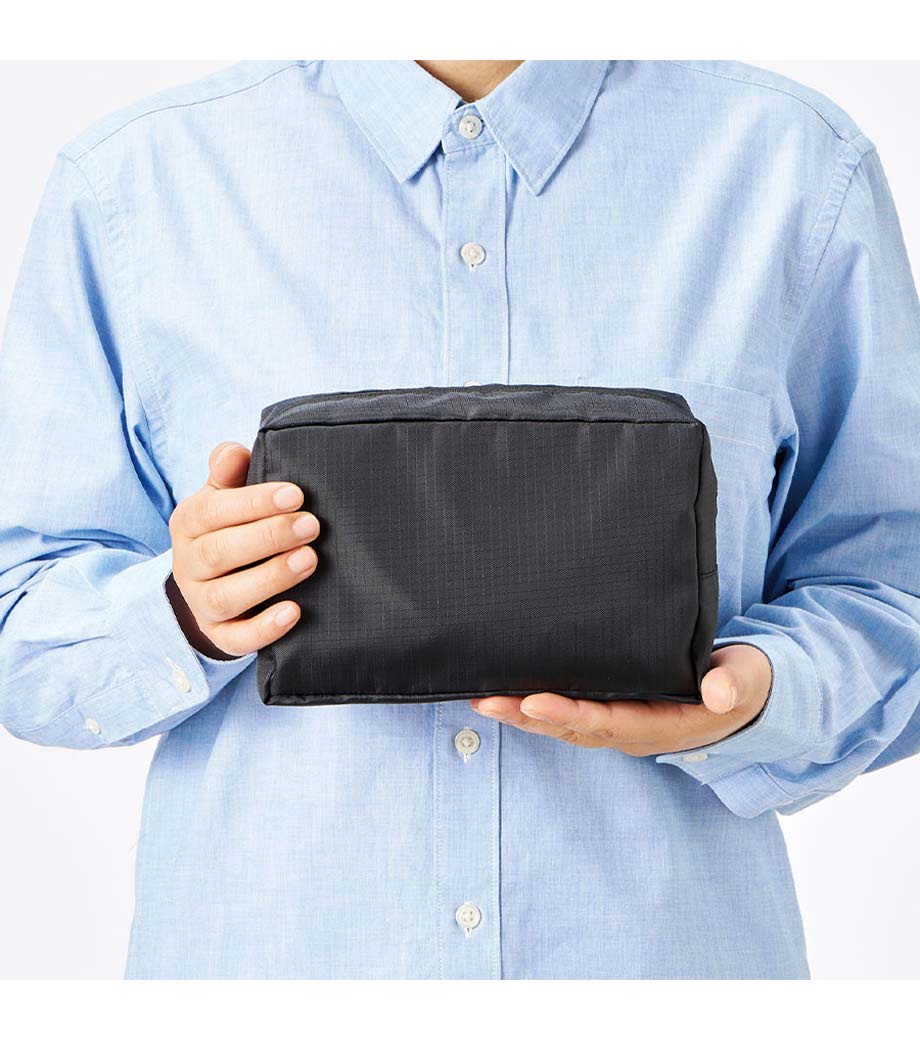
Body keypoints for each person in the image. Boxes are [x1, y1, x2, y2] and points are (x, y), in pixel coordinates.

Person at [1, 59, 919, 980]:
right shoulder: (134, 184)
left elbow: (894, 587)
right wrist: (183, 611)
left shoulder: (796, 166)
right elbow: (20, 626)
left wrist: (760, 695)